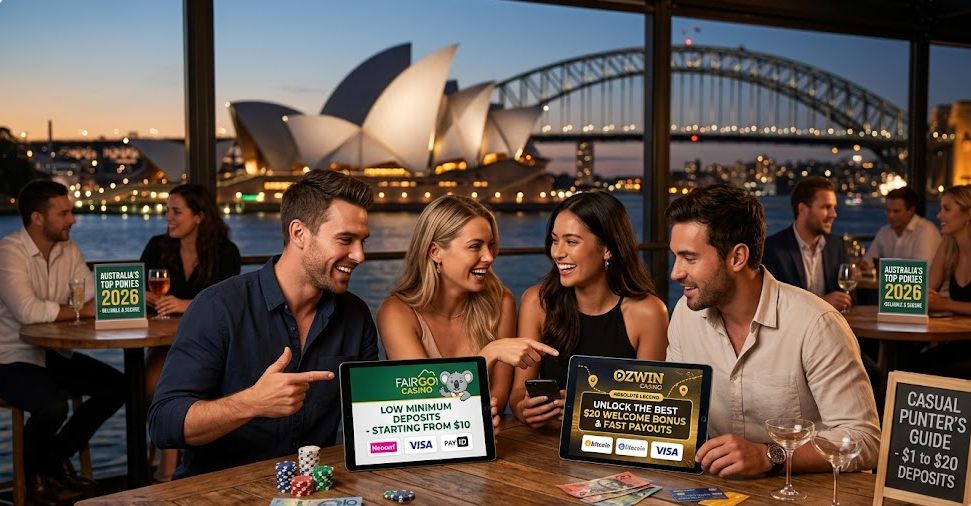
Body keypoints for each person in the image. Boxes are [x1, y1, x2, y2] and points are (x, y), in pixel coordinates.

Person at [148, 169, 378, 478]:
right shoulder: (218, 307)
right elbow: (164, 425)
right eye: (346, 240)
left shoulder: (356, 316)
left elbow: (370, 425)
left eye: (362, 241)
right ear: (299, 234)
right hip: (218, 493)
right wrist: (251, 403)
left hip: (314, 490)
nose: (359, 255)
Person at [665, 184, 880, 477]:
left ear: (737, 258)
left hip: (806, 494)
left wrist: (770, 456)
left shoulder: (816, 324)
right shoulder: (684, 316)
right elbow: (678, 417)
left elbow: (865, 442)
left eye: (690, 258)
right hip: (719, 492)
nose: (675, 272)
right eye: (676, 257)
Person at [0, 180, 125, 504]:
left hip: (53, 351)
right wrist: (79, 310)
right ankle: (34, 475)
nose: (73, 219)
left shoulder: (69, 249)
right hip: (10, 355)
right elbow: (28, 312)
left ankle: (53, 456)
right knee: (53, 406)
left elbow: (94, 294)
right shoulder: (9, 251)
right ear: (37, 218)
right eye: (64, 213)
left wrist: (95, 306)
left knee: (120, 387)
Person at [378, 195, 557, 422]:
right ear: (435, 252)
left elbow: (497, 399)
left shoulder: (501, 301)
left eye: (490, 245)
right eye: (475, 246)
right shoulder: (396, 313)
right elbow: (429, 405)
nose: (489, 257)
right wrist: (488, 355)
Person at [510, 191, 669, 428]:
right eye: (555, 240)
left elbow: (649, 408)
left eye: (571, 241)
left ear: (607, 249)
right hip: (548, 443)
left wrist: (587, 412)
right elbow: (518, 393)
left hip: (615, 450)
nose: (557, 252)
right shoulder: (537, 302)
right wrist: (524, 410)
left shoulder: (649, 312)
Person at [139, 183, 241, 481]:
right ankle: (168, 457)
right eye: (167, 211)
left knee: (198, 382)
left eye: (176, 212)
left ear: (199, 216)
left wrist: (185, 304)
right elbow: (141, 288)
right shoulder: (157, 246)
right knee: (151, 384)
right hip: (165, 339)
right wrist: (145, 296)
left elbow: (227, 301)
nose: (168, 218)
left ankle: (173, 465)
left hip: (209, 343)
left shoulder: (225, 252)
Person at [763, 176, 851, 311]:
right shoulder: (773, 249)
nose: (834, 214)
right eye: (826, 207)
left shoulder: (836, 246)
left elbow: (850, 298)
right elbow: (772, 303)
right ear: (802, 209)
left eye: (834, 207)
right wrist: (821, 303)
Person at [915, 185, 971, 378]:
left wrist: (946, 304)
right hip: (957, 343)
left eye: (946, 209)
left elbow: (938, 302)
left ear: (968, 213)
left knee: (923, 368)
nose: (939, 216)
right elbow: (927, 295)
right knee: (909, 365)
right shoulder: (947, 247)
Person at [861, 186, 940, 270]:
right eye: (888, 210)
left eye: (896, 211)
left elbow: (921, 271)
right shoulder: (884, 232)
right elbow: (867, 263)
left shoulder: (926, 231)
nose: (890, 216)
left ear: (911, 210)